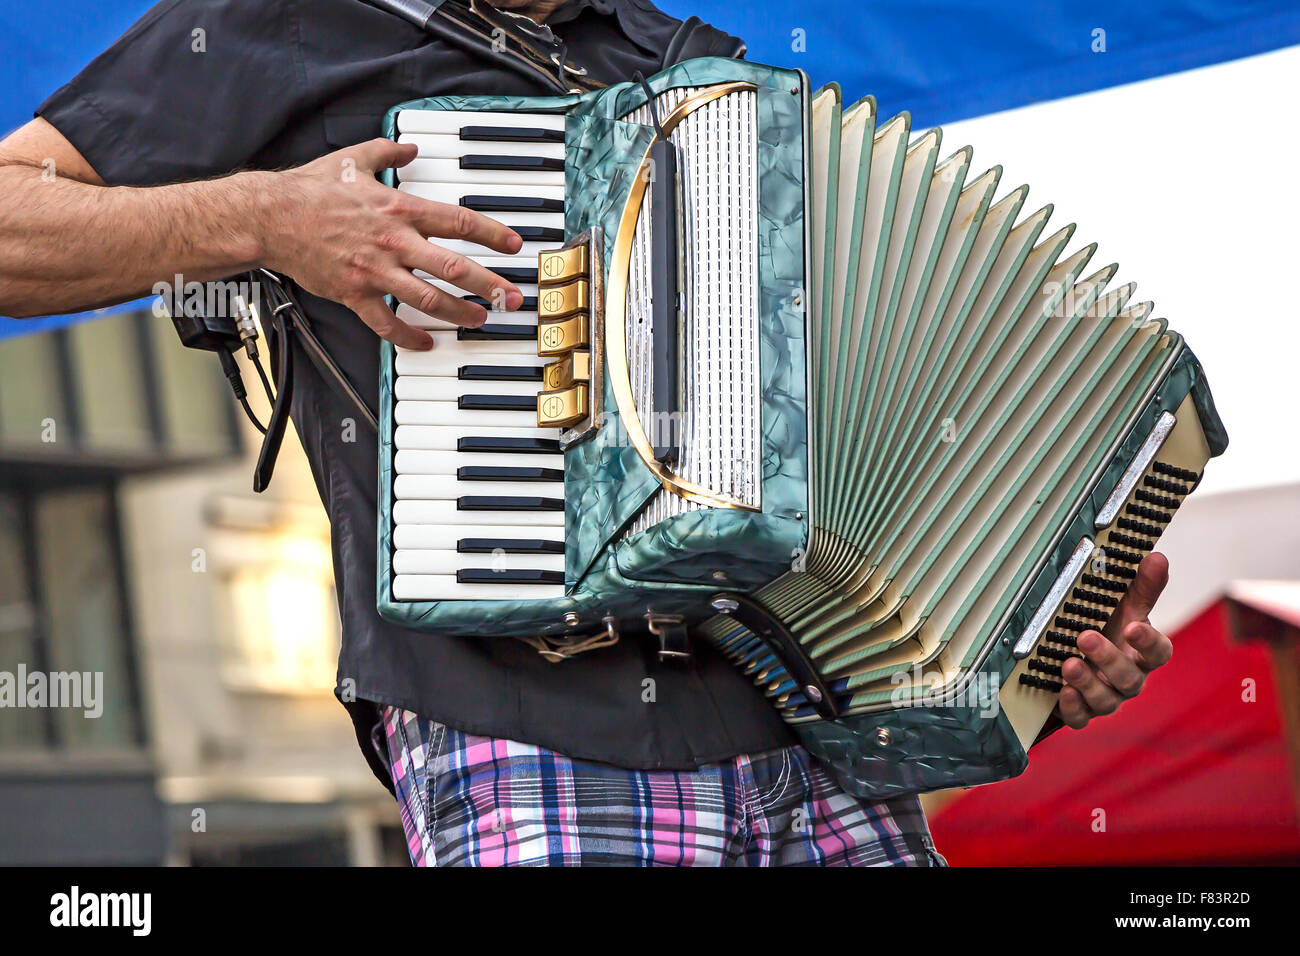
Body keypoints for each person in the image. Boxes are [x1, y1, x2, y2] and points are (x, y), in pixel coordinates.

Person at [0, 0, 1176, 866]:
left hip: (803, 725)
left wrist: (1032, 639)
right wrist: (267, 216)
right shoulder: (280, 26)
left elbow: (863, 445)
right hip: (526, 715)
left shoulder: (693, 72)